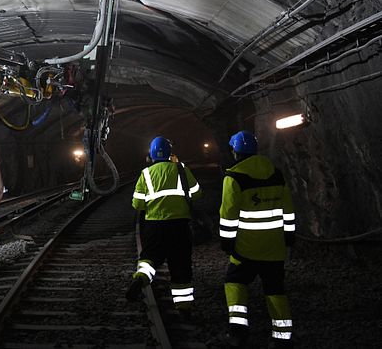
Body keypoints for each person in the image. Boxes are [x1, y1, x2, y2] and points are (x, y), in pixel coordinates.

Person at [219, 130, 295, 348]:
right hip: (274, 246)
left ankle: (238, 332)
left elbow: (228, 216)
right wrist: (289, 238)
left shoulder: (233, 177)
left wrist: (227, 242)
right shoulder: (276, 174)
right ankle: (282, 336)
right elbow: (288, 211)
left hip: (246, 247)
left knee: (234, 283)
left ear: (235, 151)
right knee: (275, 289)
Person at [126, 136, 202, 318]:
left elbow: (137, 204)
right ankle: (184, 307)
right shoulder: (181, 170)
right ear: (170, 154)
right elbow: (197, 194)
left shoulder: (145, 174)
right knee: (180, 265)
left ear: (150, 155)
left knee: (150, 257)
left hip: (154, 225)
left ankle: (141, 278)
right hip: (179, 225)